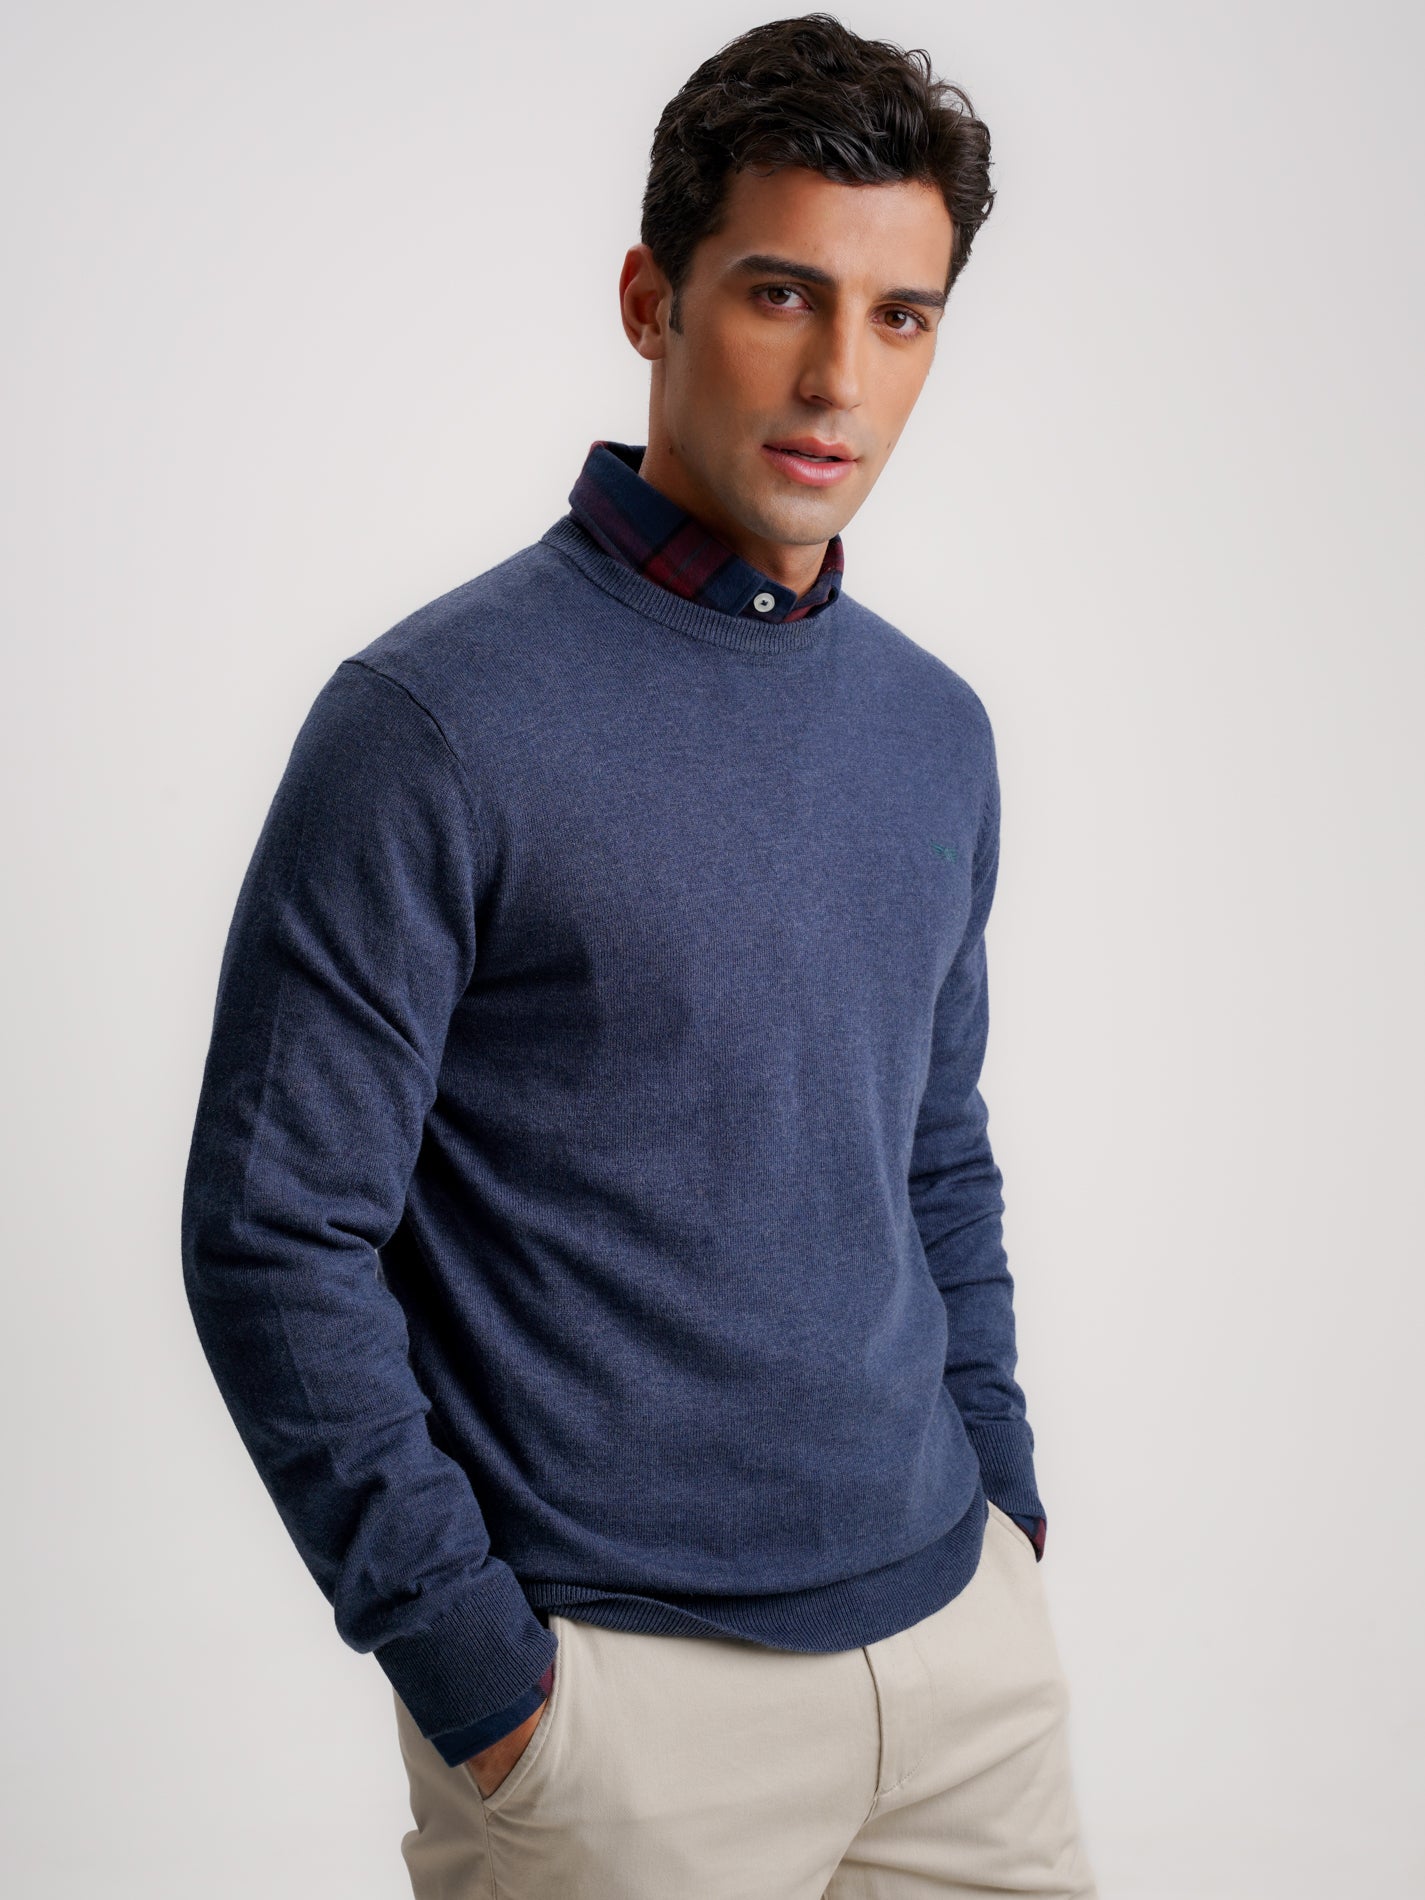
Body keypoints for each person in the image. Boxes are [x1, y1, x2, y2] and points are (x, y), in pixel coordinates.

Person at [181, 13, 1099, 1897]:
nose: (837, 375)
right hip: (618, 1718)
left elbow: (929, 1150)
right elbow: (274, 1233)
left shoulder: (935, 730)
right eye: (780, 293)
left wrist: (1001, 1497)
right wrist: (481, 1677)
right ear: (648, 299)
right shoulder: (429, 724)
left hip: (960, 1672)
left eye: (900, 316)